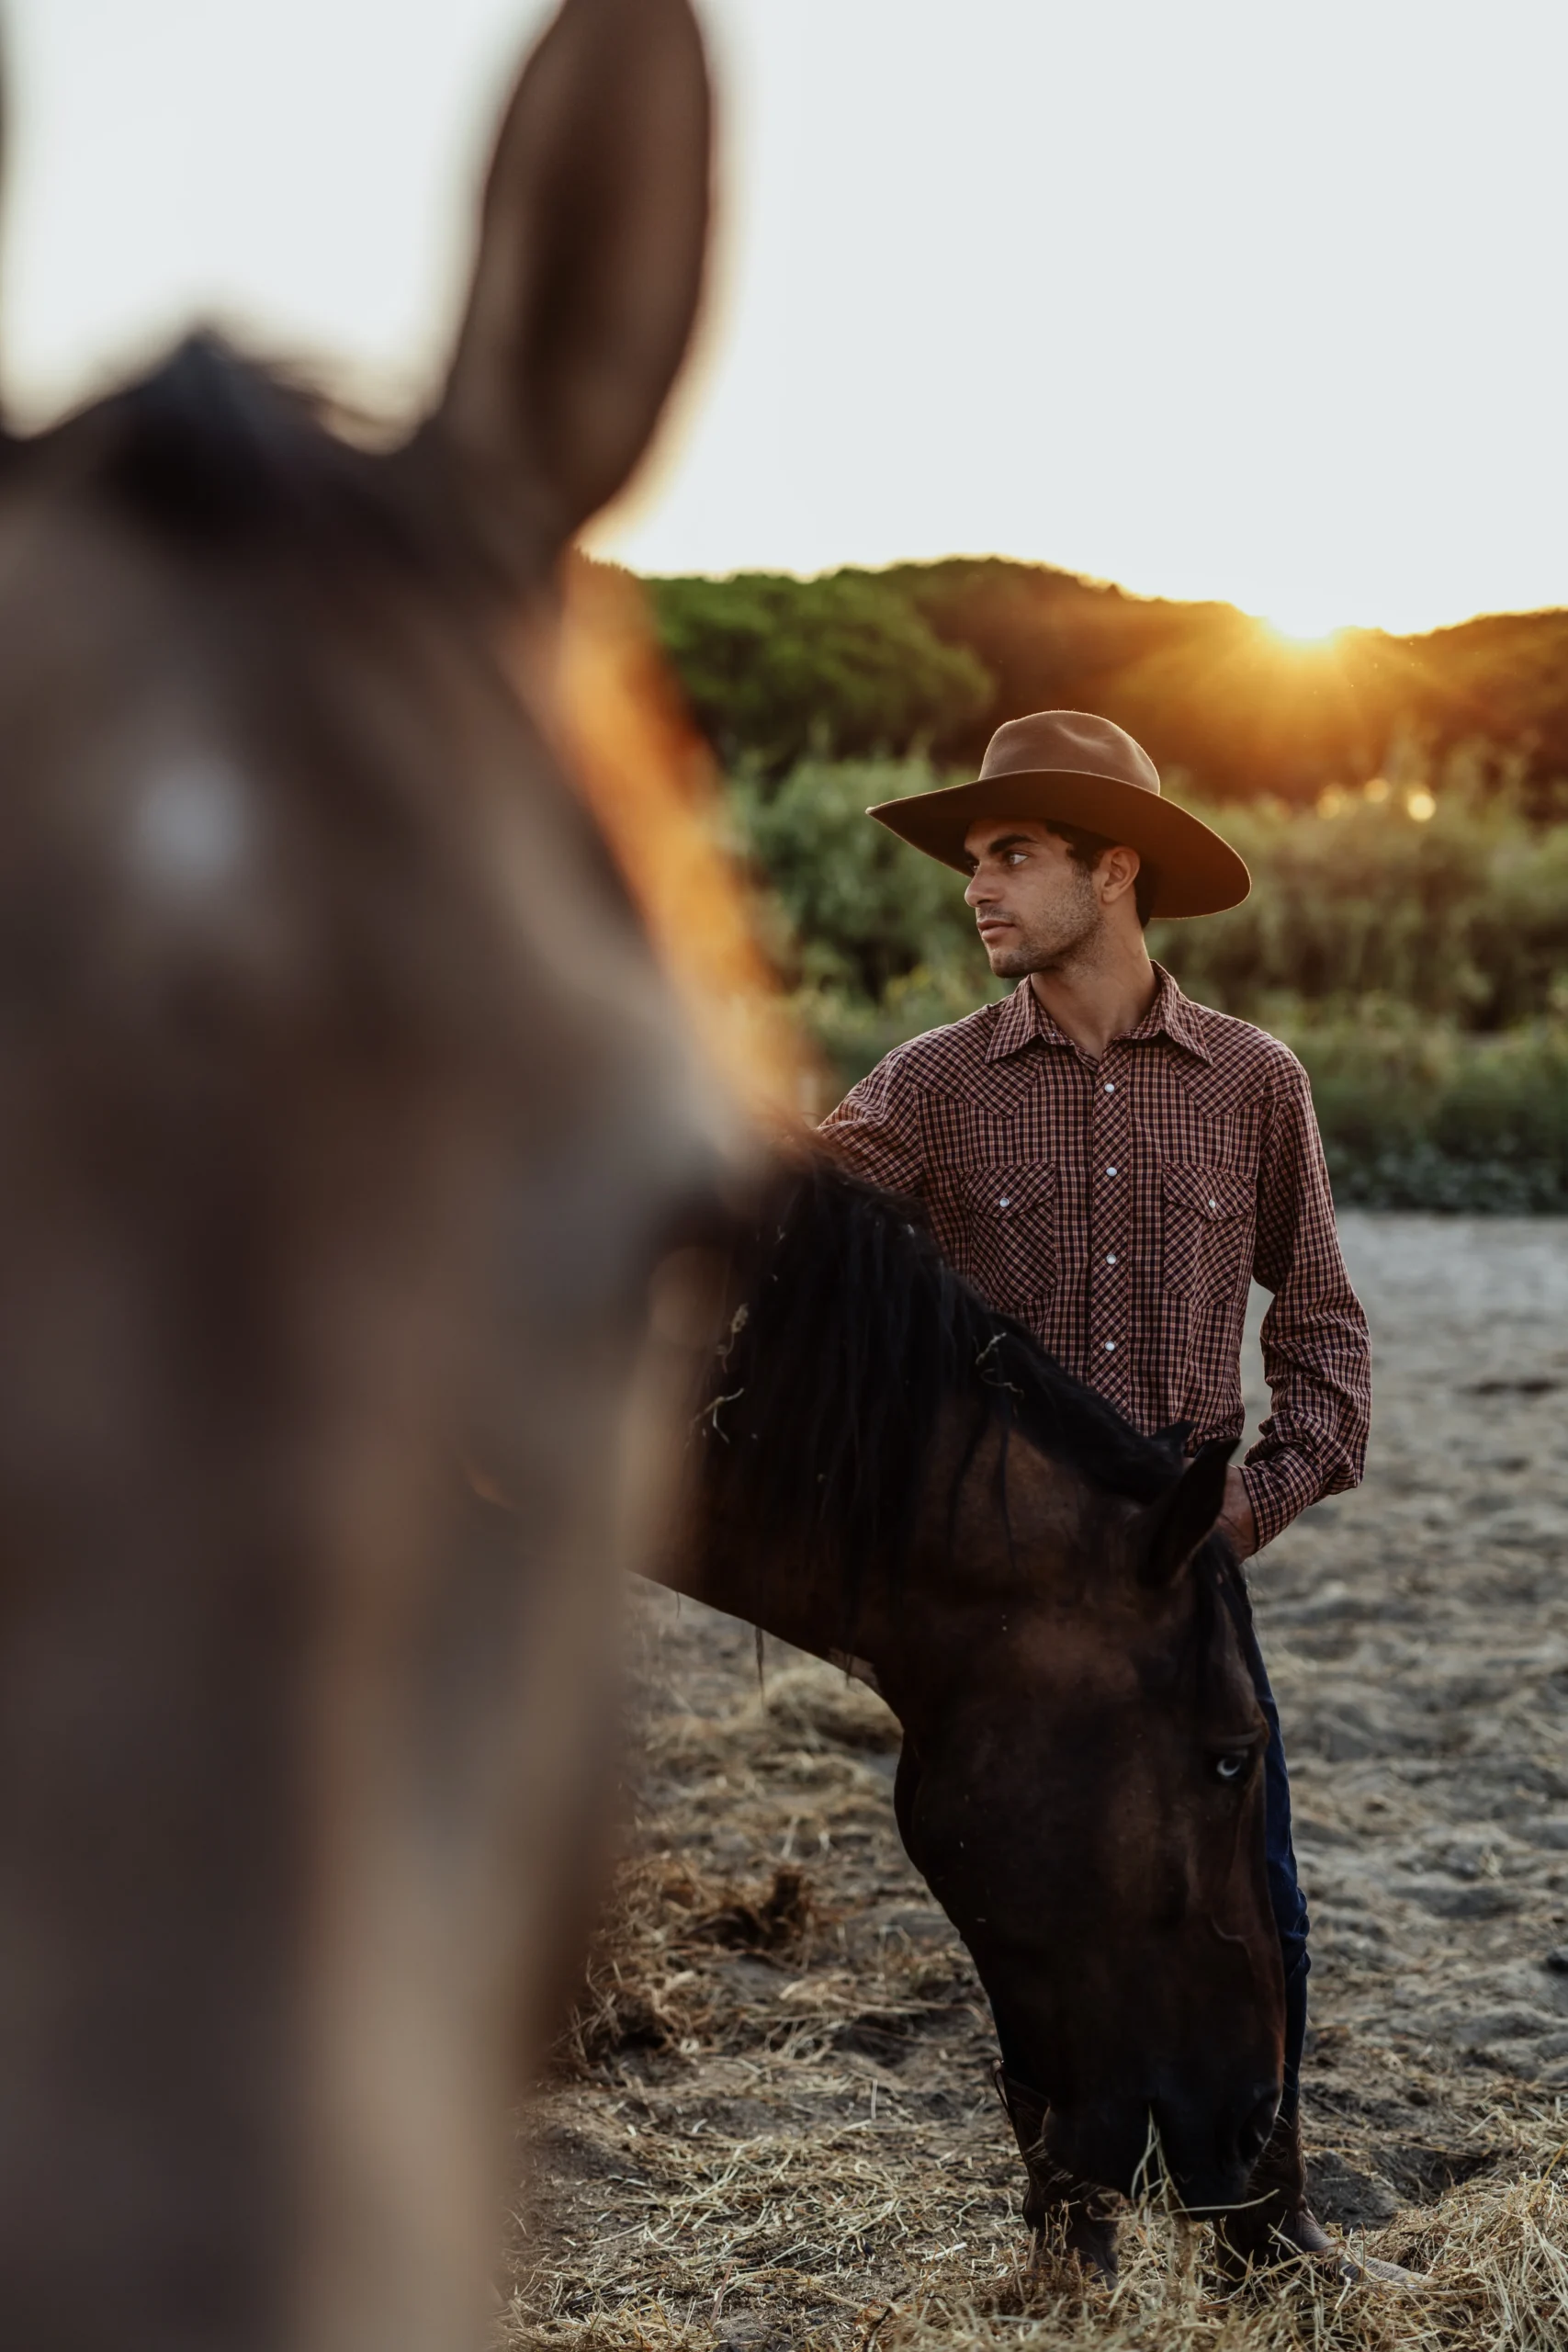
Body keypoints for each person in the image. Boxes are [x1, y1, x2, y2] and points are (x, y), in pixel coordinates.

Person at [818, 708, 1372, 2278]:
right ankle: (1068, 2236)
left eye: (1010, 857)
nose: (974, 889)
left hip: (1187, 1586)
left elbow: (1325, 1342)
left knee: (1243, 1899)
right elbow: (775, 1244)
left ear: (1111, 871)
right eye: (973, 861)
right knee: (1034, 1922)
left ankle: (1266, 2231)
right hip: (998, 1609)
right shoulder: (927, 1090)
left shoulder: (1255, 1086)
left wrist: (1244, 1512)